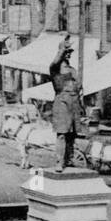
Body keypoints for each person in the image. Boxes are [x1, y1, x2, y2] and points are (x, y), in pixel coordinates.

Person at [48, 34, 83, 169]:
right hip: (62, 102)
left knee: (72, 135)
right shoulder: (55, 68)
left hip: (74, 102)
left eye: (70, 52)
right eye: (67, 52)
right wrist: (63, 47)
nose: (69, 54)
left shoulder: (73, 70)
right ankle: (59, 162)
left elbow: (79, 86)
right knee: (62, 134)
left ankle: (68, 159)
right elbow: (55, 61)